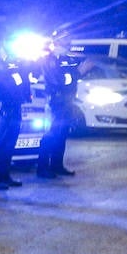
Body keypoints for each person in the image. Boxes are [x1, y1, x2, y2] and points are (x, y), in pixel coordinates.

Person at [0, 41, 31, 191]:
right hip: (2, 107)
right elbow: (1, 84)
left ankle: (4, 175)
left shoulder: (16, 64)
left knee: (9, 143)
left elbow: (23, 82)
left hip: (14, 107)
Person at [37, 38, 82, 179]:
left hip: (67, 101)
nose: (67, 46)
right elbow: (59, 80)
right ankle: (42, 168)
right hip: (55, 102)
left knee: (62, 135)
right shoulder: (50, 60)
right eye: (64, 43)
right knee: (50, 135)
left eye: (68, 43)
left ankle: (57, 165)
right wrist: (75, 75)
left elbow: (73, 76)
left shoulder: (67, 59)